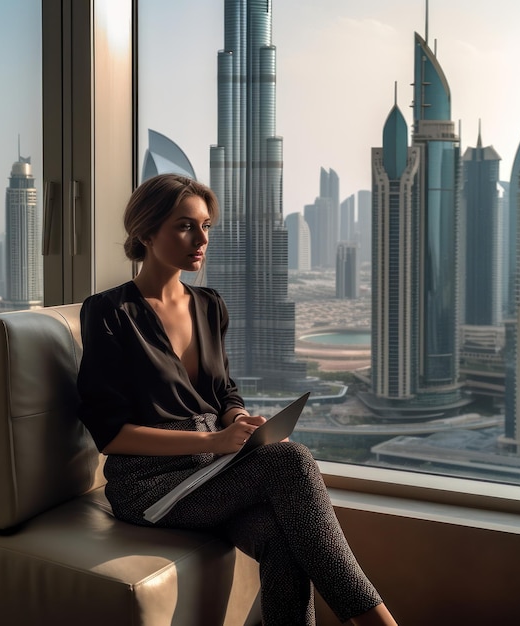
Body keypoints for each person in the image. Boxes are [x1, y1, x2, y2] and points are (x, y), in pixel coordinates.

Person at [77, 173, 399, 626]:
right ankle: (378, 622)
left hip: (211, 468)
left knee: (281, 536)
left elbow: (223, 389)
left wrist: (240, 420)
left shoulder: (208, 304)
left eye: (206, 226)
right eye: (185, 226)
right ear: (146, 232)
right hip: (149, 485)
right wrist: (215, 441)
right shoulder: (109, 312)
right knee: (293, 461)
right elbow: (111, 436)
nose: (201, 239)